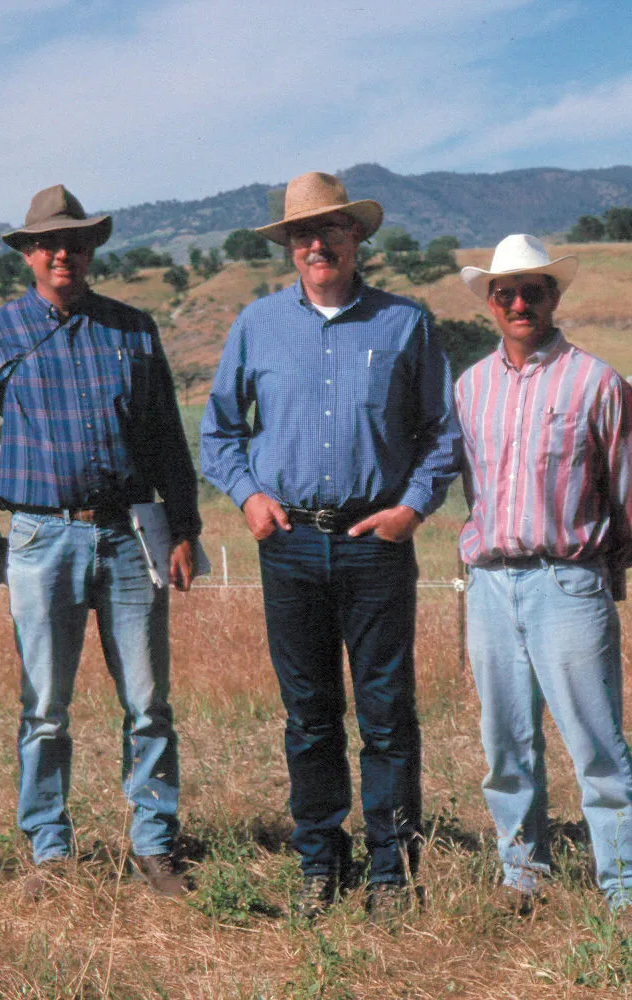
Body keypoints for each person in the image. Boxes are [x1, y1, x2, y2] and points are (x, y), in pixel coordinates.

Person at [199, 171, 461, 924]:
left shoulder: (404, 325)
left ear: (357, 239)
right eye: (303, 235)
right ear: (288, 247)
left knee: (386, 713)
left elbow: (441, 434)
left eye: (332, 231)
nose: (318, 244)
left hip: (374, 542)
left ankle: (392, 873)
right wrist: (249, 496)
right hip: (288, 544)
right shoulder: (255, 326)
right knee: (308, 714)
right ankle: (320, 865)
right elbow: (219, 430)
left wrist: (410, 510)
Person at [0, 184, 202, 895]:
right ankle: (50, 853)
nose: (63, 253)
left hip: (127, 535)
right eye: (49, 243)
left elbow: (164, 438)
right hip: (40, 535)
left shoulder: (131, 329)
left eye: (77, 241)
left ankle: (155, 846)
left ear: (92, 250)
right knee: (44, 706)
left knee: (148, 704)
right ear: (29, 254)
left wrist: (183, 526)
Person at [454, 235, 632, 928]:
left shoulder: (596, 382)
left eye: (532, 291)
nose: (519, 302)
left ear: (555, 297)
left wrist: (604, 572)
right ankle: (522, 875)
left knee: (595, 742)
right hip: (488, 583)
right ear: (489, 301)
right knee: (505, 744)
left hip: (568, 580)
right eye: (505, 292)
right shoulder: (469, 386)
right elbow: (471, 486)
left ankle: (629, 889)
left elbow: (626, 492)